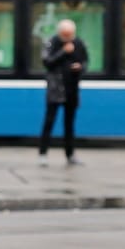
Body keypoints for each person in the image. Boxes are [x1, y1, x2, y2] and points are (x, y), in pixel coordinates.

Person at [39, 19, 87, 166]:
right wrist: (63, 52)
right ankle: (43, 153)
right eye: (65, 34)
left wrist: (80, 67)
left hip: (71, 89)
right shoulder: (51, 43)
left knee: (69, 124)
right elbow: (47, 62)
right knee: (49, 121)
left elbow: (85, 62)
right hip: (55, 89)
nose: (68, 37)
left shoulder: (78, 43)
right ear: (60, 33)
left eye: (70, 34)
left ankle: (70, 154)